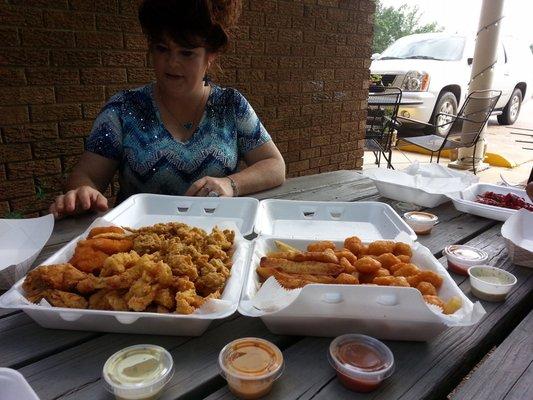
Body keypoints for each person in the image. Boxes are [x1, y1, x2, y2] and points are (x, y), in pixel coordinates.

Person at [50, 0, 285, 218]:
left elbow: (275, 165)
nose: (172, 63)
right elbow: (86, 176)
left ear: (210, 56)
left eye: (186, 53)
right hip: (141, 250)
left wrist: (231, 184)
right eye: (162, 49)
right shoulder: (122, 109)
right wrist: (83, 192)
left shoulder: (231, 105)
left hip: (217, 240)